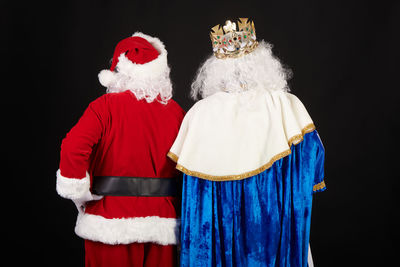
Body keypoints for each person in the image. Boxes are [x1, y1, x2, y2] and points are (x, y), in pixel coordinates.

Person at [168, 18, 326, 266]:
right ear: (264, 64)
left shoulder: (199, 115)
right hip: (273, 226)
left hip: (217, 233)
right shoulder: (285, 106)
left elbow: (183, 187)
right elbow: (312, 160)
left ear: (214, 70)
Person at [56, 32, 185, 267]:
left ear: (121, 71)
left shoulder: (104, 107)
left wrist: (81, 193)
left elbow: (72, 148)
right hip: (162, 223)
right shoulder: (176, 112)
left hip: (108, 220)